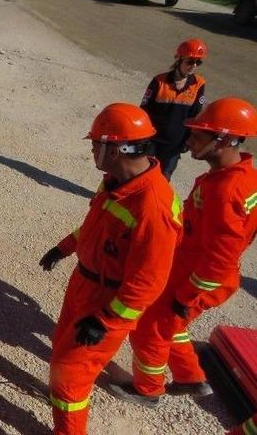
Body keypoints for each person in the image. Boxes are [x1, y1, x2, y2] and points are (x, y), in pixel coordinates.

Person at [38, 103, 182, 435]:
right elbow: (94, 227)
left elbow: (148, 283)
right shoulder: (114, 182)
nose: (91, 151)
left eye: (95, 145)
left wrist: (105, 320)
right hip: (84, 284)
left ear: (115, 148)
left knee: (70, 379)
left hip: (107, 300)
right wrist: (64, 247)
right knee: (62, 346)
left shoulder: (153, 208)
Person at [108, 98, 257, 406]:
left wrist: (186, 296)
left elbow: (221, 257)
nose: (189, 140)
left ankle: (147, 389)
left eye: (199, 135)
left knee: (150, 325)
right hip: (196, 270)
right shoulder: (241, 178)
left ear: (226, 140)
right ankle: (191, 378)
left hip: (198, 278)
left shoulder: (226, 190)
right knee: (171, 325)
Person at [140, 38, 208, 180]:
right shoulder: (159, 81)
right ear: (179, 60)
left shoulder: (199, 84)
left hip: (175, 144)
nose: (193, 66)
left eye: (198, 62)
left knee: (163, 180)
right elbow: (144, 110)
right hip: (152, 140)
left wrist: (189, 140)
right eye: (190, 61)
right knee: (142, 175)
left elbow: (195, 116)